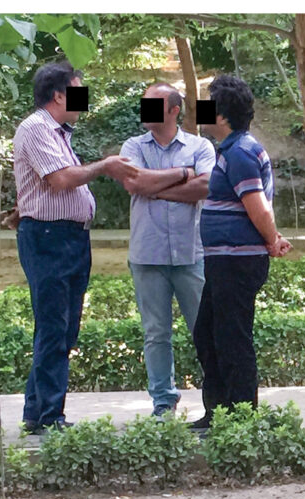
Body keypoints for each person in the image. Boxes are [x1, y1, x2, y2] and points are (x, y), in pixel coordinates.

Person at [11, 61, 138, 434]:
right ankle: (49, 417)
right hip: (50, 238)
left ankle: (37, 412)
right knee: (54, 326)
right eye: (79, 91)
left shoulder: (58, 133)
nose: (84, 100)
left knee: (63, 330)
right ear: (58, 95)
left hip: (68, 237)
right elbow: (61, 180)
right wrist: (105, 167)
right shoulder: (36, 128)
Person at [189, 74, 291, 430]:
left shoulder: (243, 152)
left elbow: (258, 207)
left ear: (221, 113)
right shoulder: (231, 150)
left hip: (237, 260)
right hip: (224, 260)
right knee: (207, 332)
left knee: (232, 337)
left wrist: (272, 239)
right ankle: (218, 412)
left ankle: (241, 417)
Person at [120, 82, 215, 418]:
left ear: (174, 110)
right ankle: (163, 401)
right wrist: (182, 174)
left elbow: (206, 186)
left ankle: (215, 399)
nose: (144, 110)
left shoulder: (200, 145)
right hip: (148, 255)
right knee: (155, 333)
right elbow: (134, 183)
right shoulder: (132, 145)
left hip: (191, 253)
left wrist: (157, 188)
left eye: (153, 104)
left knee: (204, 330)